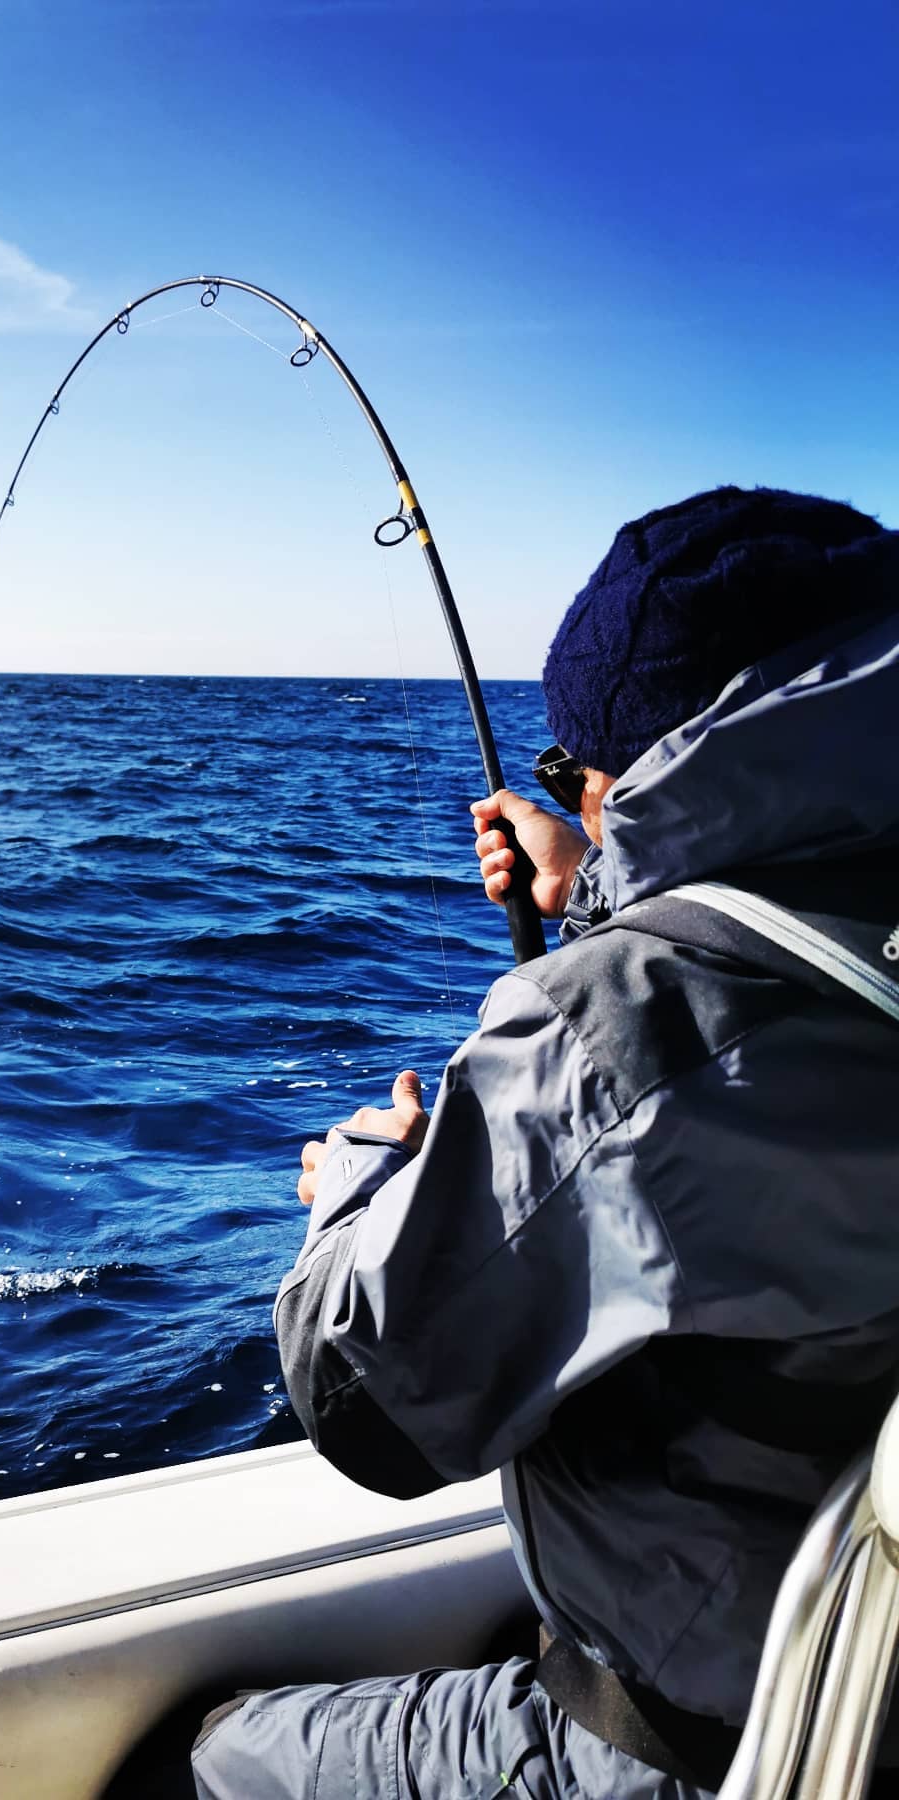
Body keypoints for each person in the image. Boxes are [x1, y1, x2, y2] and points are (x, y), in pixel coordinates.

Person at [190, 486, 899, 1800]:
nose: (563, 786)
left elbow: (367, 1408)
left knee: (219, 1758)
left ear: (659, 760)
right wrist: (607, 886)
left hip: (726, 1739)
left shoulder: (613, 1031)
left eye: (574, 766)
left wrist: (361, 1185)